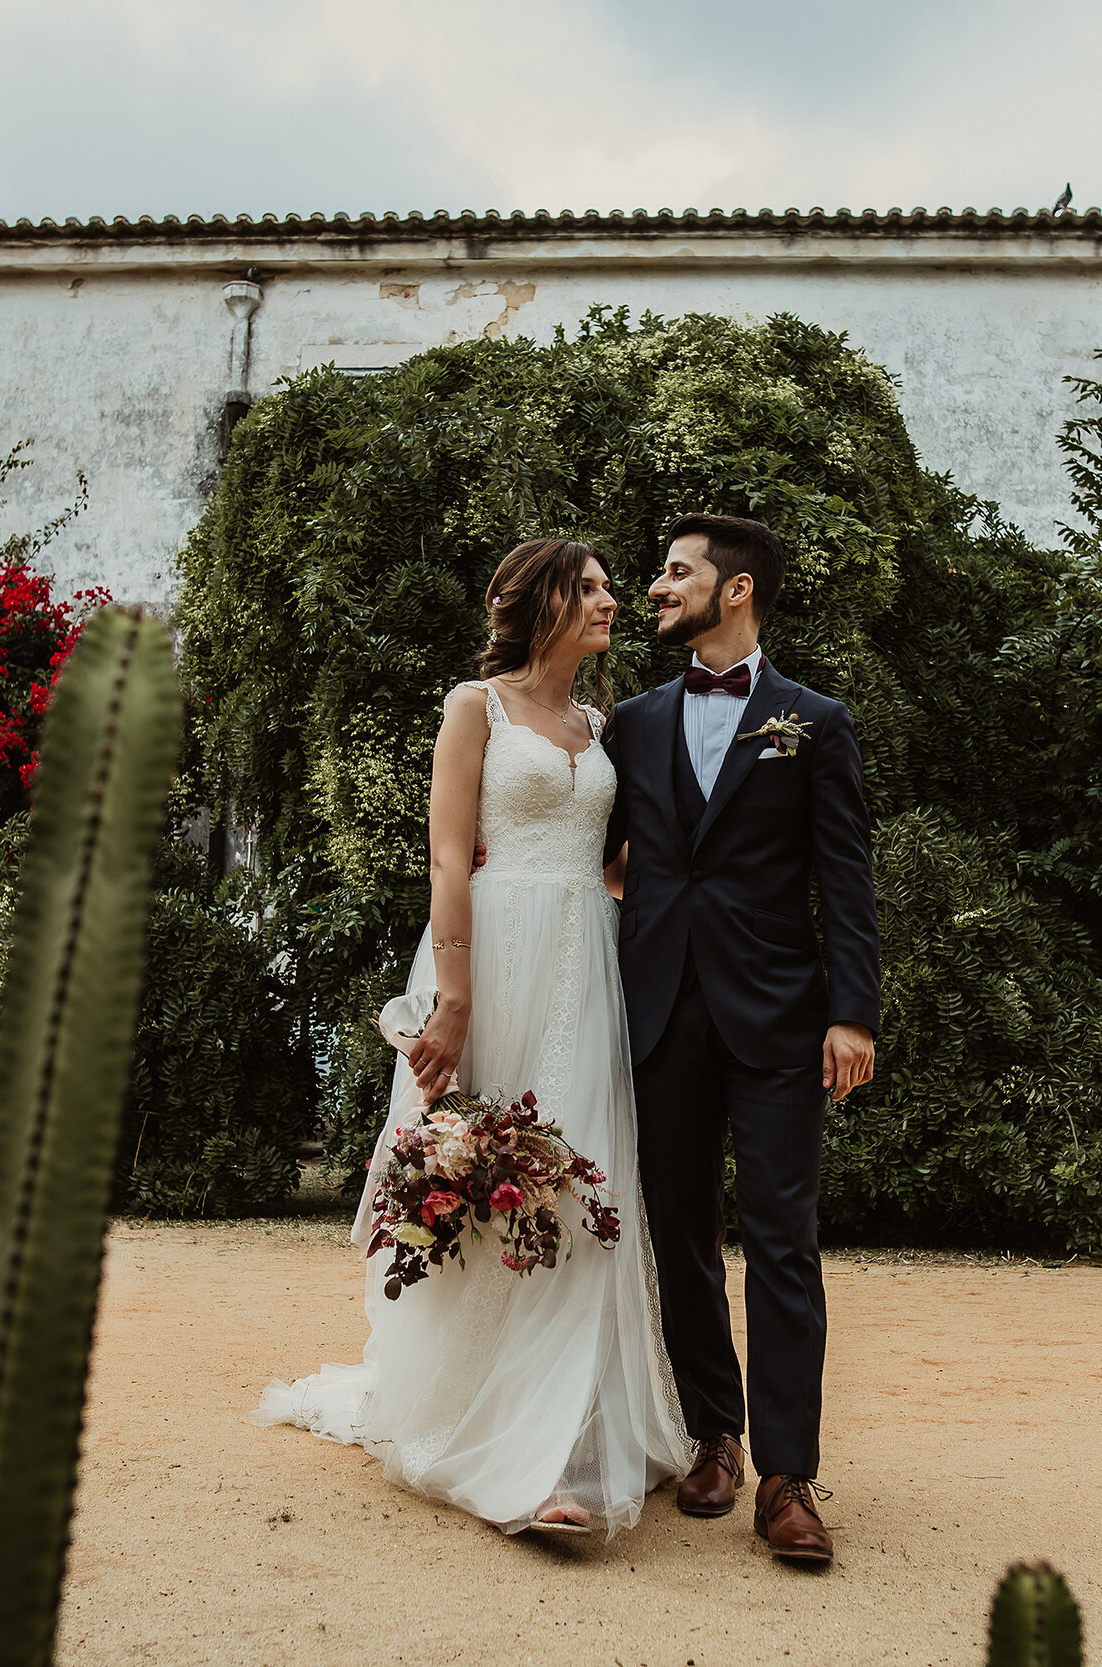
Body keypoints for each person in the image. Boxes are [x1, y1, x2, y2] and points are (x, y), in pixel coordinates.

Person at [254, 537, 691, 1538]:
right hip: (490, 957)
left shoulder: (604, 723)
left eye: (610, 587)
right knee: (485, 1174)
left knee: (579, 1179)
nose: (611, 600)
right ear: (538, 601)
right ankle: (490, 1431)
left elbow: (622, 862)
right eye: (588, 587)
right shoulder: (474, 706)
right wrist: (452, 998)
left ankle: (577, 1435)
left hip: (588, 954)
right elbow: (449, 858)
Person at [602, 513, 880, 1568]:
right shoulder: (631, 718)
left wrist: (852, 1011)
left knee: (780, 1237)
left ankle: (787, 1476)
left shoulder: (814, 720)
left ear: (737, 589)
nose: (655, 586)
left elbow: (845, 876)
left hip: (779, 1015)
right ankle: (712, 1436)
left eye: (676, 571)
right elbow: (615, 851)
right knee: (680, 1231)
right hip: (660, 1007)